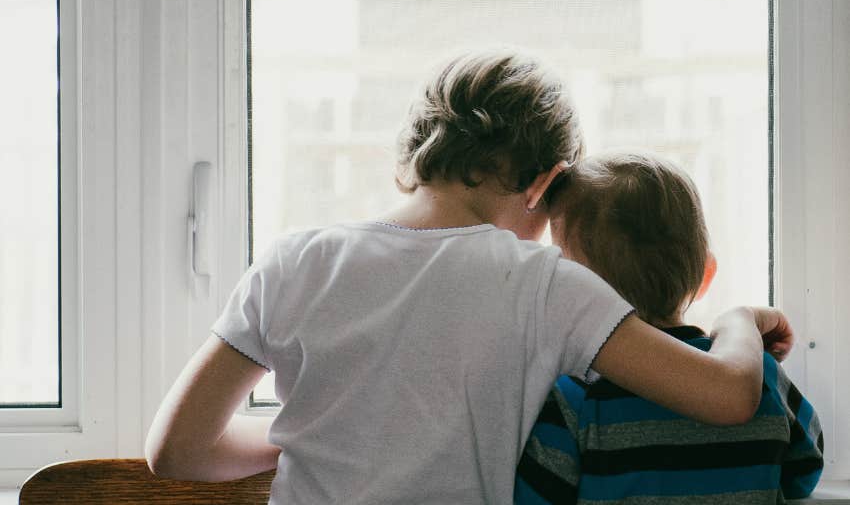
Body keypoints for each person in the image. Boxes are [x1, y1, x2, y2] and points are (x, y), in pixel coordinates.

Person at [145, 50, 791, 504]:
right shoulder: (544, 285)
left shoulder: (295, 260)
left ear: (417, 152)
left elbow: (177, 450)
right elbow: (729, 397)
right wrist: (739, 319)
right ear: (544, 183)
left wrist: (317, 431)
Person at [516, 150, 823, 505]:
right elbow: (805, 471)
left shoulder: (574, 397)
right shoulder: (759, 376)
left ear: (577, 290)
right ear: (706, 274)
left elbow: (533, 497)